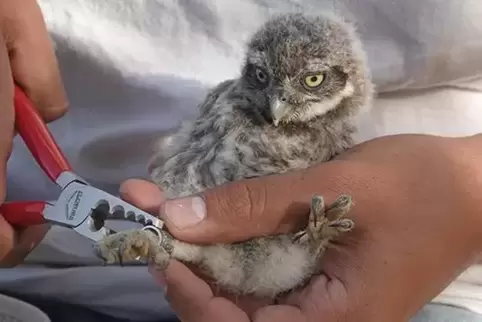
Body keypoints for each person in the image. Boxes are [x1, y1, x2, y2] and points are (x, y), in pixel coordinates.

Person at [1, 0, 482, 321]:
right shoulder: (226, 102)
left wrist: (469, 189)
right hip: (37, 274)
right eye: (261, 78)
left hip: (416, 286)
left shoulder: (331, 134)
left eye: (311, 82)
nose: (277, 103)